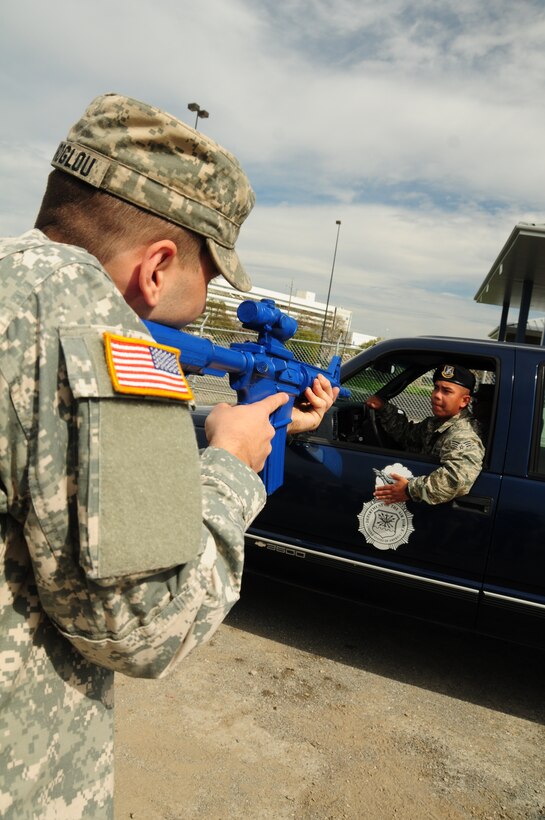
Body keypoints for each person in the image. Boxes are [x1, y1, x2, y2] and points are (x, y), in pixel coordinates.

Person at [0, 93, 337, 818]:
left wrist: (245, 427)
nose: (208, 294)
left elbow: (51, 449)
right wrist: (230, 467)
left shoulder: (16, 286)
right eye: (208, 274)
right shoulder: (93, 321)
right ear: (156, 266)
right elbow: (144, 627)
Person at [366, 364, 484, 505]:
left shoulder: (463, 435)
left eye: (446, 391)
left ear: (464, 401)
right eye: (436, 388)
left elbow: (456, 479)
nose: (436, 395)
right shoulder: (436, 423)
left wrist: (409, 490)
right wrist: (384, 408)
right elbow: (407, 434)